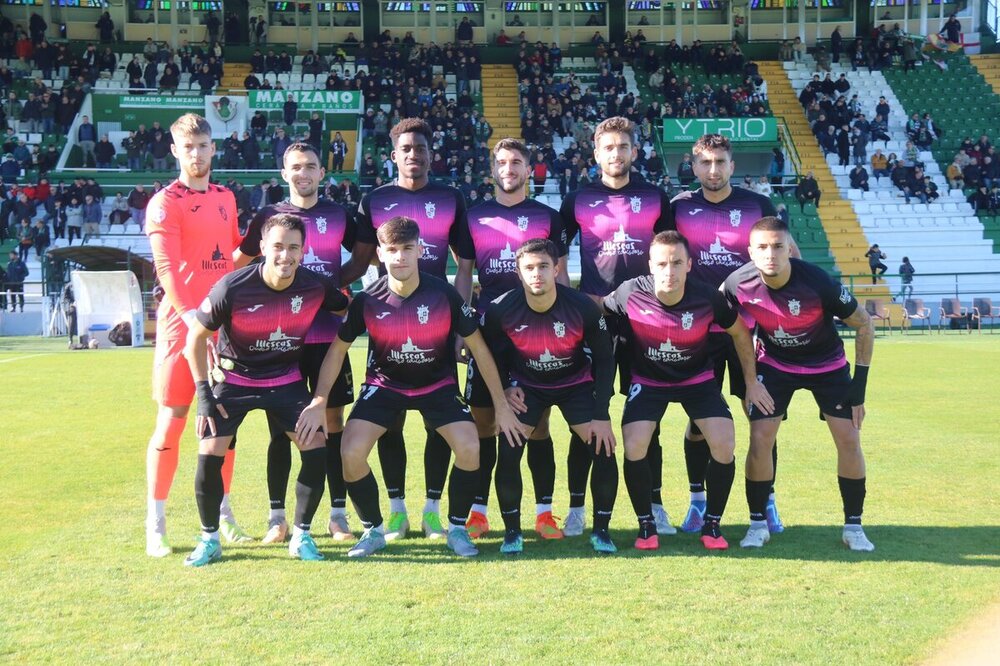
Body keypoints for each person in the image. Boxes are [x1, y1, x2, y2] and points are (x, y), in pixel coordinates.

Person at [295, 216, 527, 558]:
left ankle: (457, 529)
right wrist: (318, 401)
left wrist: (502, 406)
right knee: (350, 451)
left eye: (407, 249)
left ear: (420, 249)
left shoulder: (444, 294)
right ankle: (373, 530)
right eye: (392, 250)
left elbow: (479, 348)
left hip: (437, 385)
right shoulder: (366, 300)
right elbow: (336, 352)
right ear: (380, 254)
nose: (400, 257)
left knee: (469, 446)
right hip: (384, 386)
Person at [182, 213, 349, 566]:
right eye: (277, 247)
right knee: (210, 449)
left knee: (316, 443)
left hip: (285, 380)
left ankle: (301, 535)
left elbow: (348, 307)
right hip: (234, 381)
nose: (285, 256)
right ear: (261, 248)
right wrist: (203, 396)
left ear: (303, 251)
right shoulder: (232, 287)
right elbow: (193, 339)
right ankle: (209, 539)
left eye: (293, 248)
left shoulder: (315, 286)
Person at [604, 231, 772, 551]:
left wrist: (751, 382)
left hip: (697, 381)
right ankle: (646, 525)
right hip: (648, 382)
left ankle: (711, 524)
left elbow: (740, 333)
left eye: (677, 263)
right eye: (663, 264)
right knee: (635, 443)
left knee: (724, 443)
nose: (670, 271)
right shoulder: (629, 293)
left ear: (689, 265)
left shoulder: (708, 297)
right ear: (651, 265)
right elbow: (599, 312)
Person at [351, 118, 474, 540]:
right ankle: (398, 508)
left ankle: (433, 509)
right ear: (393, 156)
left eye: (420, 148)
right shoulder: (375, 200)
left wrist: (461, 323)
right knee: (390, 422)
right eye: (406, 148)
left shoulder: (450, 197)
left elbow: (465, 262)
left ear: (430, 154)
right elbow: (365, 258)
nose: (413, 155)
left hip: (437, 325)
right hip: (388, 325)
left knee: (438, 423)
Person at [723, 216, 876, 552]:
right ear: (750, 251)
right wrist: (750, 382)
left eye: (778, 246)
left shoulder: (818, 282)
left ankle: (854, 526)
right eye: (762, 247)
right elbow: (735, 332)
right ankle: (757, 524)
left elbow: (864, 324)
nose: (770, 254)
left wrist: (858, 387)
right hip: (776, 365)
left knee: (849, 439)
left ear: (790, 248)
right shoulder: (736, 284)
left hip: (827, 366)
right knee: (760, 438)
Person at [234, 142, 361, 544]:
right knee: (280, 428)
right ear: (284, 173)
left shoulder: (339, 213)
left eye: (310, 167)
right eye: (295, 167)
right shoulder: (269, 216)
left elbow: (364, 255)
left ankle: (337, 515)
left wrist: (335, 286)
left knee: (333, 422)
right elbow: (240, 264)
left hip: (328, 338)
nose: (303, 174)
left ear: (322, 173)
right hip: (281, 340)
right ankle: (277, 518)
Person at [559, 116, 673, 537]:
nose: (616, 154)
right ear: (596, 153)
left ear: (634, 152)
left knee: (649, 416)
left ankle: (656, 504)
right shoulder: (577, 199)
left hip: (646, 321)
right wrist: (572, 299)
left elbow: (671, 255)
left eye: (623, 147)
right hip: (595, 321)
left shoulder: (655, 198)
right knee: (588, 414)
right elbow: (556, 251)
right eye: (608, 147)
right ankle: (576, 509)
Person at [671, 133, 790, 535]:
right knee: (699, 421)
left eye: (720, 162)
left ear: (732, 166)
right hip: (699, 330)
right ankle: (697, 503)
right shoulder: (678, 209)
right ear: (693, 166)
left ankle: (767, 502)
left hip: (752, 330)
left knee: (762, 417)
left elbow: (788, 259)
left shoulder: (756, 205)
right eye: (705, 163)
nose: (713, 170)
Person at [142, 114, 245, 558]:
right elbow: (167, 270)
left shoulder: (226, 197)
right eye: (189, 148)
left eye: (203, 146)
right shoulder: (165, 203)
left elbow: (235, 256)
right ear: (175, 152)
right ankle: (156, 522)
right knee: (173, 422)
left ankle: (223, 515)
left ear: (213, 148)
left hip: (224, 327)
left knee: (224, 427)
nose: (197, 154)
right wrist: (194, 321)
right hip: (181, 326)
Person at [463, 139, 570, 541]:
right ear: (493, 171)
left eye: (517, 162)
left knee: (537, 424)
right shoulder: (475, 217)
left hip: (538, 334)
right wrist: (461, 326)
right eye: (502, 163)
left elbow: (558, 277)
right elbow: (465, 274)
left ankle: (544, 513)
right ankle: (478, 511)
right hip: (488, 334)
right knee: (483, 423)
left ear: (530, 170)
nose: (509, 168)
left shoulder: (547, 217)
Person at [485, 238, 616, 554]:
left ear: (557, 268)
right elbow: (491, 356)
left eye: (543, 266)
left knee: (604, 447)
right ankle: (513, 533)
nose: (537, 274)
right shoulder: (501, 309)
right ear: (519, 272)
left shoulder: (582, 306)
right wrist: (505, 387)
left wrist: (602, 412)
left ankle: (601, 531)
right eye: (529, 268)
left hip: (576, 385)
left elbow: (605, 359)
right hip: (528, 388)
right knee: (510, 449)